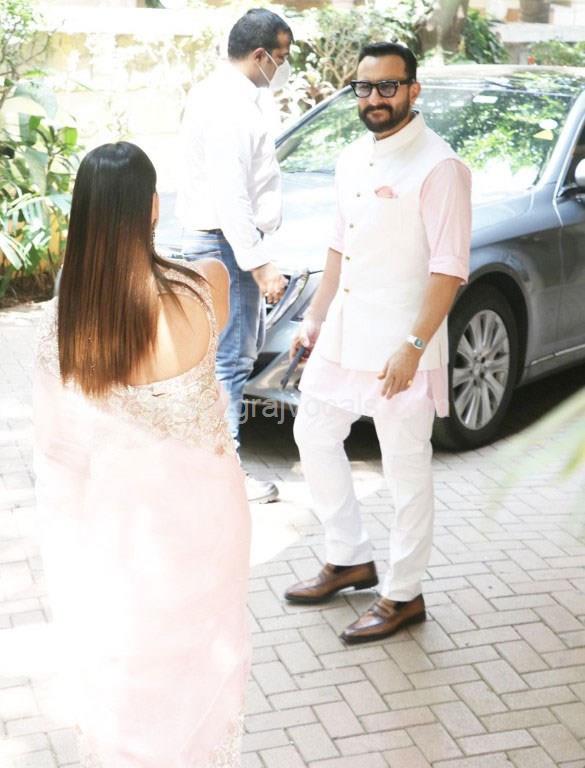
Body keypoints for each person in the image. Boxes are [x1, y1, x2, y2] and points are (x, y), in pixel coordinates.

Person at [33, 142, 251, 766]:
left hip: (122, 526)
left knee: (130, 674)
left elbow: (59, 458)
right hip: (211, 517)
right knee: (206, 664)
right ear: (153, 207)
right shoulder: (206, 285)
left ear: (82, 213)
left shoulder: (62, 328)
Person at [284, 42, 472, 644]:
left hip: (402, 342)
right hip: (344, 331)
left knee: (404, 467)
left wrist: (413, 346)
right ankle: (349, 557)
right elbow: (339, 245)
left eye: (388, 87)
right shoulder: (351, 158)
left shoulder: (441, 167)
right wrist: (314, 316)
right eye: (363, 89)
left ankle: (403, 593)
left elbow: (449, 269)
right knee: (313, 432)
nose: (374, 99)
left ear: (414, 89)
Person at [176, 8, 293, 504]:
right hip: (225, 244)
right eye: (282, 56)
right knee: (230, 361)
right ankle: (224, 475)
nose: (284, 66)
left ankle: (203, 467)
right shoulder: (231, 105)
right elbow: (232, 195)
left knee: (216, 360)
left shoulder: (219, 93)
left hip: (217, 242)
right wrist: (260, 263)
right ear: (260, 55)